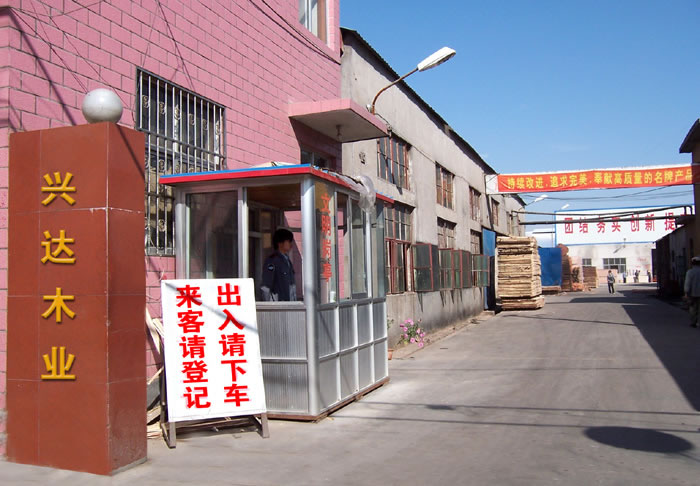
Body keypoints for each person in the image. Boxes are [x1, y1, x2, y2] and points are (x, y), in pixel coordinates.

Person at [261, 228, 297, 301]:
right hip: (278, 304)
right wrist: (269, 305)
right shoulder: (272, 261)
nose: (291, 244)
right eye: (289, 241)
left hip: (289, 303)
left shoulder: (287, 260)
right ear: (280, 243)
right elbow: (266, 286)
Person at [683, 256, 700, 327]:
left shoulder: (690, 272)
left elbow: (687, 283)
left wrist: (686, 292)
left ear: (692, 263)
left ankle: (694, 322)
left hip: (692, 293)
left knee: (693, 308)